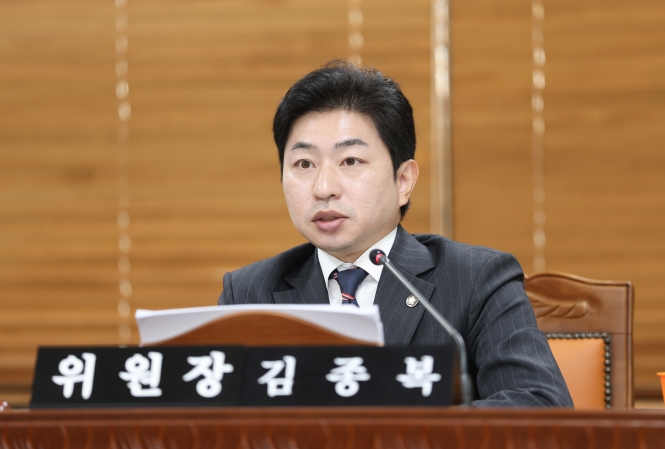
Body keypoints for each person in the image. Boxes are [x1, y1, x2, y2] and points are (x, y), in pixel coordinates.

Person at [218, 60, 573, 407]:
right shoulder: (249, 293)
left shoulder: (475, 279)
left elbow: (539, 405)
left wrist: (391, 432)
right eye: (304, 164)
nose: (323, 188)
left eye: (350, 161)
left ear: (403, 181)